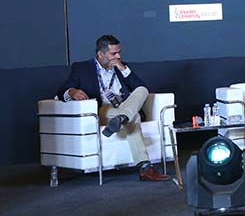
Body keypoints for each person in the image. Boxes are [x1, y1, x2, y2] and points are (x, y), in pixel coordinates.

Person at [56, 35, 169, 181]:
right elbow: (62, 90)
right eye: (113, 54)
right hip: (104, 109)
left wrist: (123, 69)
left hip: (125, 105)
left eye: (119, 53)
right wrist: (71, 91)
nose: (118, 57)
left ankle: (123, 117)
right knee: (134, 116)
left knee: (142, 89)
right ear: (100, 54)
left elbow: (140, 87)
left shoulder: (122, 66)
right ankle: (145, 168)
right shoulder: (82, 68)